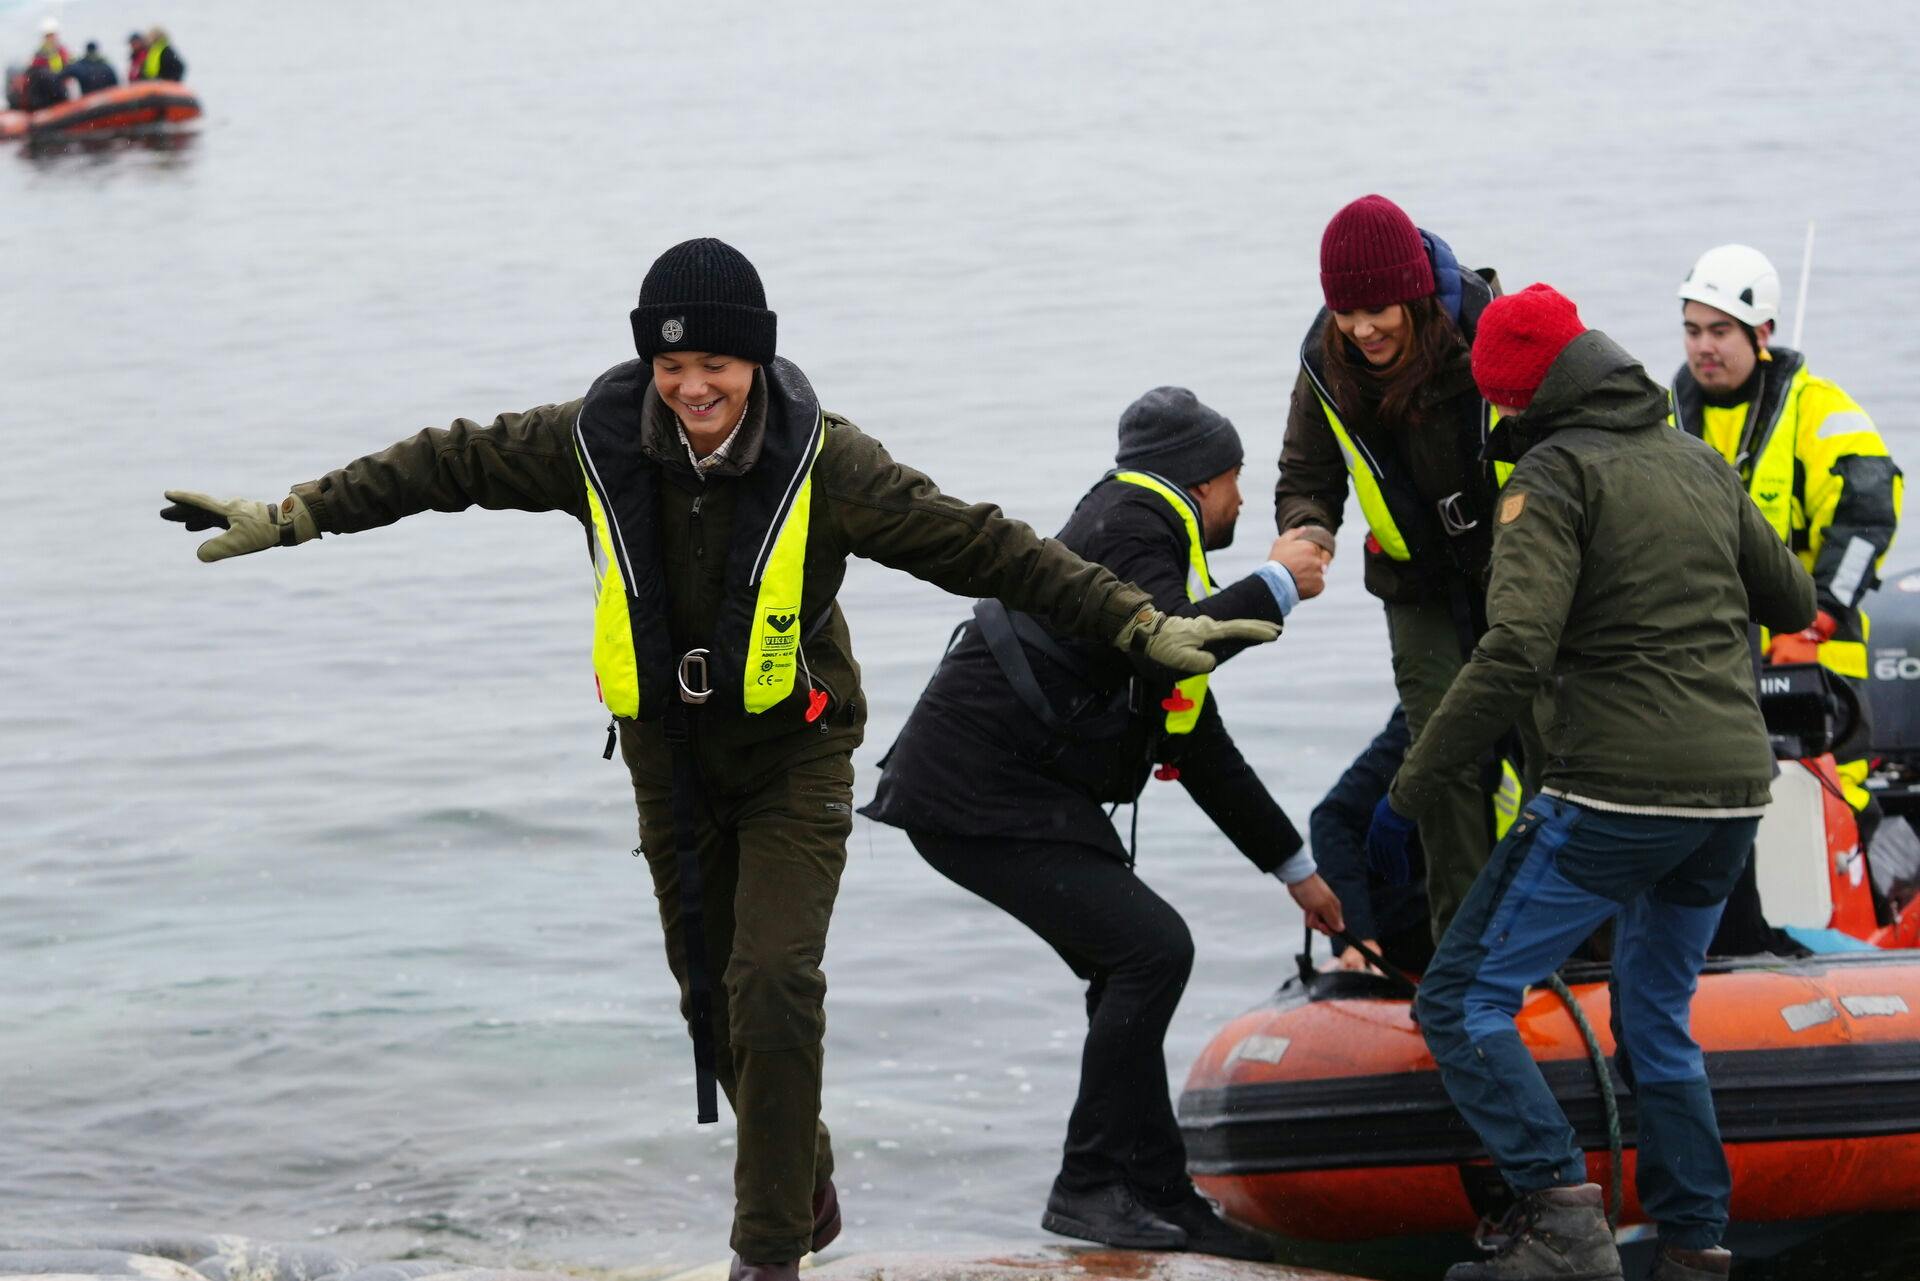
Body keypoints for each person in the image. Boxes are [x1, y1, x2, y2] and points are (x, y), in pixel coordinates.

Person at [159, 239, 1276, 1281]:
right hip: (669, 760)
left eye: (721, 365)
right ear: (651, 359)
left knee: (774, 982)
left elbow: (992, 547)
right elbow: (444, 463)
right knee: (709, 1005)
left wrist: (1144, 627)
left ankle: (769, 1252)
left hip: (795, 755)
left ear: (760, 359)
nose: (696, 389)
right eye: (676, 363)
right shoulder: (591, 440)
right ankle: (807, 1174)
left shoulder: (832, 464)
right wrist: (296, 513)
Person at [1367, 284, 1816, 1281]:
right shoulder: (1697, 458)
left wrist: (1413, 787)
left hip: (1616, 788)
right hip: (1736, 792)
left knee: (1460, 1000)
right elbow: (1788, 594)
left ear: (1513, 400)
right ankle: (1697, 1248)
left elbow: (1516, 648)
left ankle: (1564, 1229)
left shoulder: (1550, 477)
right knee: (1657, 1013)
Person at [863, 387, 1342, 1258]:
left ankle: (1158, 1191)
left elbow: (1198, 747)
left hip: (1012, 792)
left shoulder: (1143, 536)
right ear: (1206, 481)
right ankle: (1088, 1184)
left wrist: (1296, 869)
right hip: (975, 790)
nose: (1241, 502)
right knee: (1151, 950)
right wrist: (1278, 582)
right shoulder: (1131, 520)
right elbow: (1165, 637)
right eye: (1238, 483)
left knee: (1131, 959)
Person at [1276, 193, 1531, 948]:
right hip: (1413, 588)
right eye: (1344, 311)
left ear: (1414, 292)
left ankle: (1581, 941)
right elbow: (1306, 473)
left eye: (1377, 308)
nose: (1361, 328)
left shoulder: (1487, 327)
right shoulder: (1325, 361)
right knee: (1441, 758)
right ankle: (1463, 952)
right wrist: (1307, 533)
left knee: (1549, 743)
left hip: (1514, 573)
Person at [1672, 243, 1902, 814]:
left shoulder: (1819, 412)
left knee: (1837, 805)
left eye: (1720, 330)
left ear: (1762, 331)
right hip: (1705, 660)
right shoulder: (1664, 416)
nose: (1704, 346)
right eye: (1693, 329)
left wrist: (1816, 621)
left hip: (1810, 650)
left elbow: (1868, 518)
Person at [25, 17, 71, 109]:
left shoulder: (61, 51)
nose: (51, 39)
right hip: (47, 91)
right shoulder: (39, 54)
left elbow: (68, 67)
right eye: (48, 36)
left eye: (52, 35)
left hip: (60, 87)